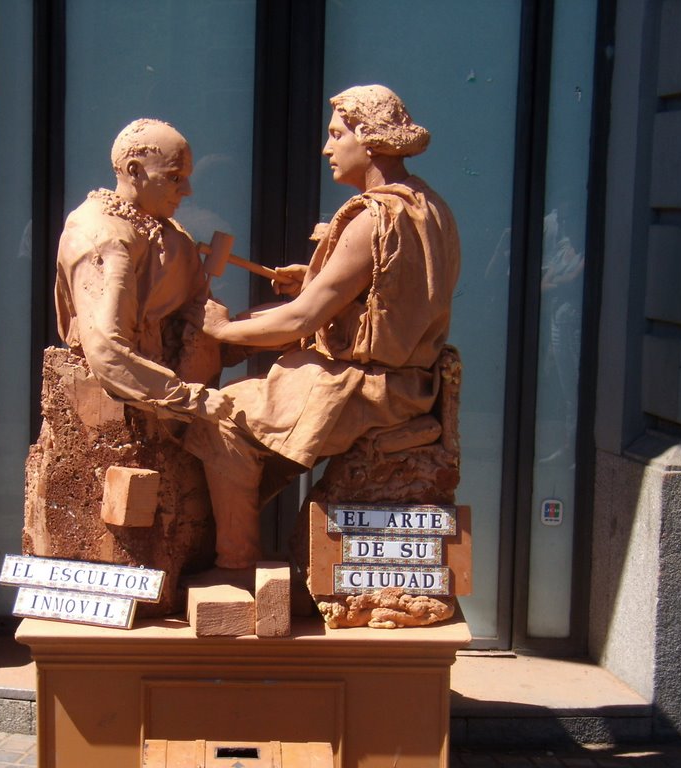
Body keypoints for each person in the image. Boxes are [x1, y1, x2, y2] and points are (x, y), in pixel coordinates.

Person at [184, 85, 461, 570]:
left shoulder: (375, 218)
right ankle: (230, 543)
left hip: (371, 387)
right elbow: (388, 292)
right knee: (264, 420)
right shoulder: (429, 205)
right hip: (411, 378)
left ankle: (237, 570)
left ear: (370, 140)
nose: (326, 148)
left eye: (337, 135)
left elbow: (301, 319)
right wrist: (313, 278)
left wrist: (220, 330)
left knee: (220, 420)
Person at [54, 118, 231, 424]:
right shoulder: (101, 236)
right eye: (175, 178)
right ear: (135, 171)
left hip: (174, 412)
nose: (187, 190)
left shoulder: (172, 234)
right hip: (117, 416)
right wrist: (188, 399)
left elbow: (203, 322)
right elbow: (106, 351)